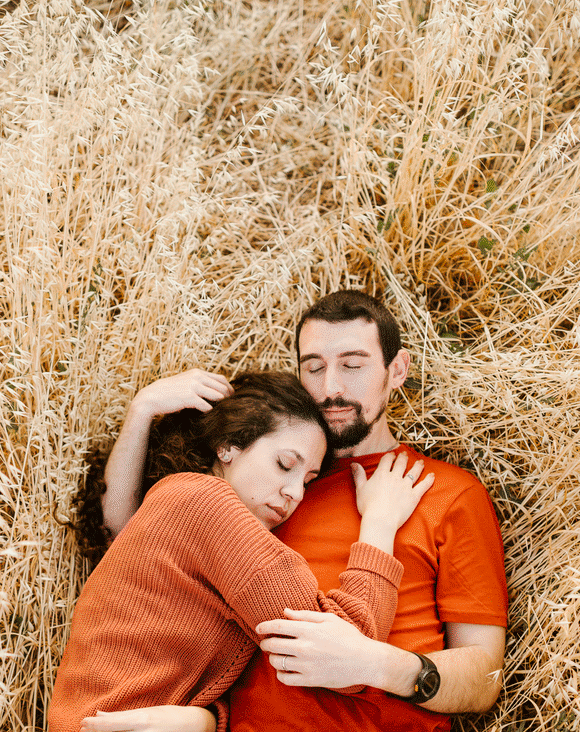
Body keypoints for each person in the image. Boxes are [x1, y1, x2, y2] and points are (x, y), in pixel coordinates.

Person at [95, 291, 508, 732]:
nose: (331, 388)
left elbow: (484, 677)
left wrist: (378, 665)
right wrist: (140, 412)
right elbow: (131, 538)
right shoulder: (267, 477)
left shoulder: (447, 492)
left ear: (397, 370)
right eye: (314, 367)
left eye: (353, 365)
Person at [49, 372, 434, 732]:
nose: (295, 493)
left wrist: (203, 720)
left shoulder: (178, 501)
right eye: (285, 464)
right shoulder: (208, 504)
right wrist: (381, 522)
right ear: (228, 446)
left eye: (308, 480)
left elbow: (118, 526)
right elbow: (348, 651)